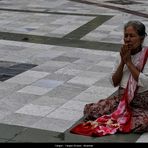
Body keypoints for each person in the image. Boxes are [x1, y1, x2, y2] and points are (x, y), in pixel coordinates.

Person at [70, 20, 148, 137]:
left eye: (132, 36)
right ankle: (121, 118)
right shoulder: (122, 54)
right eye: (126, 36)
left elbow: (146, 83)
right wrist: (122, 62)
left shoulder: (146, 55)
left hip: (141, 104)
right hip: (121, 102)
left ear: (141, 39)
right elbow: (114, 82)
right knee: (91, 111)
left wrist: (129, 63)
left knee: (143, 122)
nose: (127, 39)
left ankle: (124, 119)